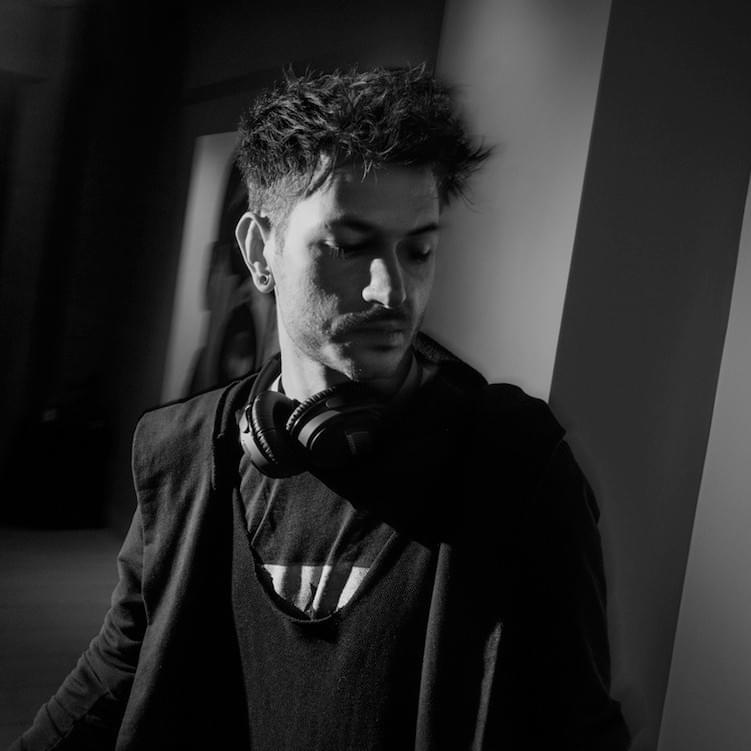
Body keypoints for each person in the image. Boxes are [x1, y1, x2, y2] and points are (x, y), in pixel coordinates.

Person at [11, 64, 631, 750]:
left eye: (419, 249)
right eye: (349, 246)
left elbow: (579, 729)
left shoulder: (515, 464)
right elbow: (118, 669)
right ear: (260, 251)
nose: (391, 290)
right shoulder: (185, 454)